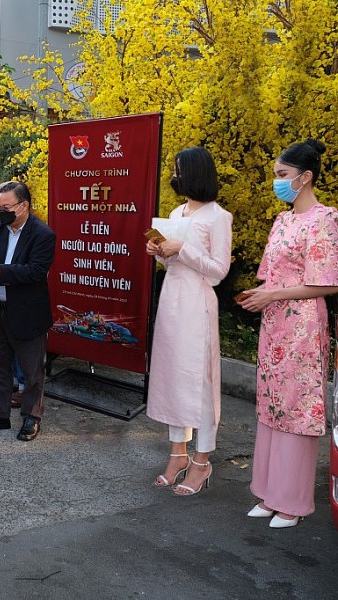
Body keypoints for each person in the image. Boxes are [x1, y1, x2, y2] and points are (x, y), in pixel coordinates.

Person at [238, 138, 338, 528]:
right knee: (271, 403)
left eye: (283, 175)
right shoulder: (283, 220)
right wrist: (260, 296)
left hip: (304, 325)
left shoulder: (326, 219)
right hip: (274, 322)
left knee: (297, 406)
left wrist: (274, 294)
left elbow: (329, 282)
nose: (277, 182)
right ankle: (268, 492)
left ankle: (292, 502)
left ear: (306, 177)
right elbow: (271, 276)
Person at [145, 146, 233, 495]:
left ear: (196, 172)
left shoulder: (218, 217)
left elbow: (218, 271)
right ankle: (177, 453)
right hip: (172, 300)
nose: (175, 175)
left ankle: (202, 459)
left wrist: (182, 248)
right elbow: (174, 261)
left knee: (199, 381)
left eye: (180, 170)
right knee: (172, 377)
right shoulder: (176, 211)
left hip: (198, 303)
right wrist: (161, 251)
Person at [0, 181, 55, 442]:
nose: (1, 212)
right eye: (0, 207)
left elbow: (36, 271)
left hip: (28, 313)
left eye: (7, 207)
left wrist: (1, 271)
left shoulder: (43, 234)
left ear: (24, 206)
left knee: (31, 371)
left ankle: (31, 416)